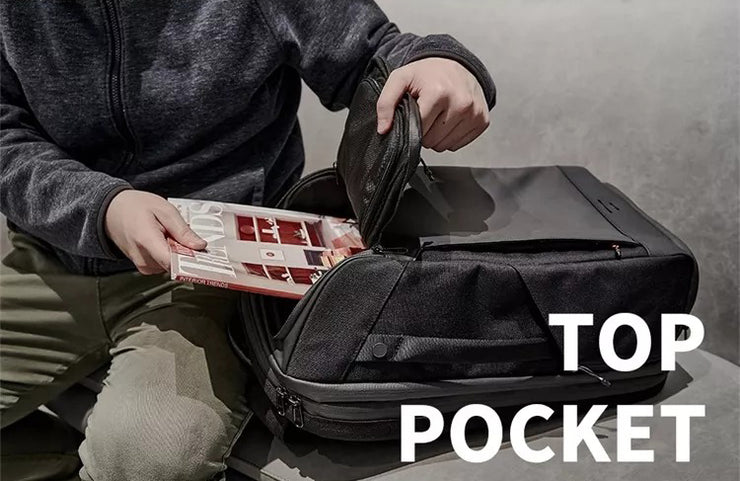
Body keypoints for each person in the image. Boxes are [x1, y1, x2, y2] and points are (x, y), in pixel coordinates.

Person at [0, 1, 495, 479]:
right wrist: (103, 207)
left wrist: (441, 62)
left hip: (216, 272)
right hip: (48, 260)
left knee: (149, 458)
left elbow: (375, 54)